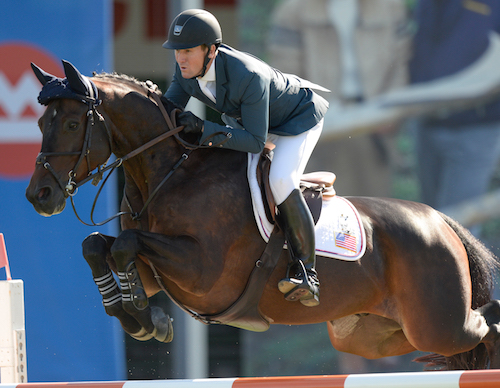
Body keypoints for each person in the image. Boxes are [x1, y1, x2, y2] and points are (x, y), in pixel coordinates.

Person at [162, 9, 329, 307]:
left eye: (187, 51)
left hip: (295, 121)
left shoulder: (247, 75)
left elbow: (255, 142)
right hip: (251, 123)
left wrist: (203, 128)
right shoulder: (185, 73)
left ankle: (306, 271)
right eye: (177, 51)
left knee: (280, 179)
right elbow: (164, 117)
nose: (181, 59)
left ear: (210, 50)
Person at [267, 0, 411, 198]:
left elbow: (401, 65)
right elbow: (286, 76)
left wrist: (391, 112)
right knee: (323, 205)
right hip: (318, 125)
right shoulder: (293, 11)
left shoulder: (390, 7)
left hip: (374, 125)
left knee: (372, 209)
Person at [409, 0, 500, 236]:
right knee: (430, 216)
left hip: (475, 128)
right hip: (426, 124)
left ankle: (470, 273)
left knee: (457, 228)